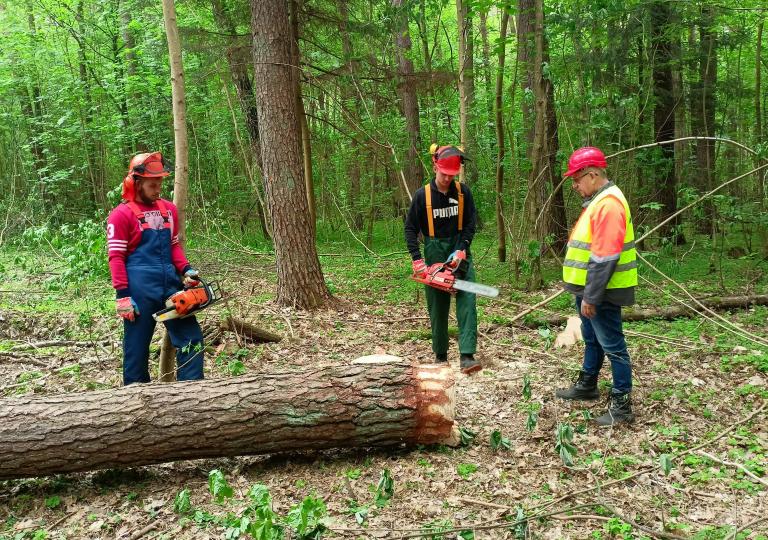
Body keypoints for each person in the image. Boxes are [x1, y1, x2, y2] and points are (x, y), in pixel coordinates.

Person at [555, 147, 637, 426]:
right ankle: (588, 383)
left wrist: (592, 296)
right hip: (588, 290)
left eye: (576, 180)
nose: (575, 185)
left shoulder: (609, 204)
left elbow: (605, 258)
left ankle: (622, 404)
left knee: (613, 345)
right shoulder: (598, 201)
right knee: (591, 338)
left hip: (603, 291)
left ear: (592, 174)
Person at [107, 152, 205, 385]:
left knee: (192, 339)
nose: (158, 188)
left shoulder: (169, 209)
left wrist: (186, 270)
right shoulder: (120, 216)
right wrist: (122, 296)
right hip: (139, 291)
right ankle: (137, 400)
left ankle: (192, 394)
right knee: (136, 349)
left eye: (160, 183)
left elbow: (173, 246)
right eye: (153, 184)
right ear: (136, 183)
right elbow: (116, 258)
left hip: (170, 285)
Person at [404, 144, 481, 375]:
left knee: (467, 301)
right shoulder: (422, 196)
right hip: (434, 253)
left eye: (452, 174)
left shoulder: (463, 193)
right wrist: (417, 259)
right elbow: (409, 228)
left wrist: (462, 249)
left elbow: (470, 224)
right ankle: (440, 355)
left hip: (459, 252)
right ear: (435, 166)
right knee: (437, 307)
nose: (448, 178)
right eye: (444, 173)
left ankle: (467, 355)